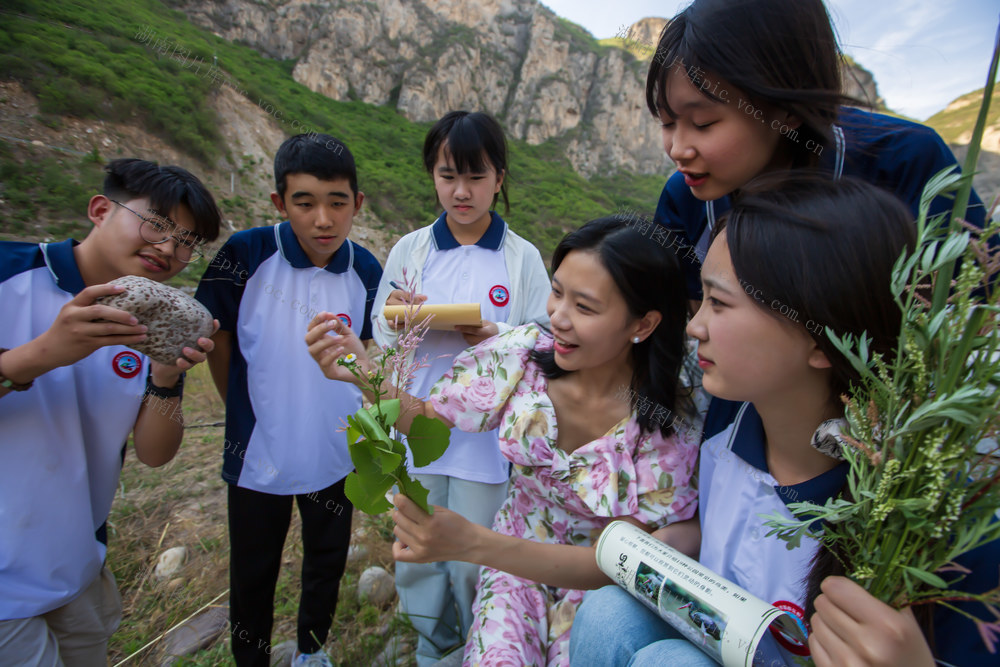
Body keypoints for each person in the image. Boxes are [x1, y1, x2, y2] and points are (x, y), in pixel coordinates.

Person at [569, 175, 1000, 666]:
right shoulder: (730, 430)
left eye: (720, 302)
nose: (695, 326)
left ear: (822, 338)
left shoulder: (924, 513)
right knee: (609, 612)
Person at [307, 216, 700, 666]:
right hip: (512, 580)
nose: (558, 317)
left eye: (585, 307)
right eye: (557, 292)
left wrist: (473, 543)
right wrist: (360, 372)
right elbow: (428, 421)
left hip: (605, 599)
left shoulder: (667, 425)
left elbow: (625, 562)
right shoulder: (521, 356)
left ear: (643, 324)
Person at [644, 0, 992, 440]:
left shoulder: (906, 165)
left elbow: (967, 319)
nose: (678, 148)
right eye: (668, 121)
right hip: (743, 438)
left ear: (785, 108)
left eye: (703, 123)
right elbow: (691, 327)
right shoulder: (686, 198)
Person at [0, 158, 221, 665]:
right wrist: (43, 353)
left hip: (75, 569)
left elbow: (154, 455)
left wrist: (166, 377)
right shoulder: (10, 274)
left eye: (188, 240)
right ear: (101, 210)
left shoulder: (153, 318)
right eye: (158, 224)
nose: (169, 248)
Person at [370, 110, 550, 665]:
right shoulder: (412, 251)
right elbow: (379, 327)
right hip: (415, 428)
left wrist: (494, 334)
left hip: (484, 443)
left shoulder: (520, 258)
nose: (461, 191)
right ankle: (433, 647)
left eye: (476, 177)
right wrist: (398, 315)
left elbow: (544, 340)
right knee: (416, 554)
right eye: (448, 176)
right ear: (432, 175)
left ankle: (481, 646)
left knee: (475, 558)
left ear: (500, 177)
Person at [195, 133, 382, 667]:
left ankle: (312, 652)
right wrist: (246, 407)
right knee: (254, 571)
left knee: (325, 561)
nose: (323, 219)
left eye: (337, 203)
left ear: (357, 204)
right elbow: (219, 336)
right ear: (279, 203)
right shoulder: (246, 255)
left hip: (336, 452)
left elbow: (368, 353)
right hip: (261, 454)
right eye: (305, 202)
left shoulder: (365, 270)